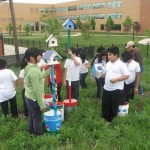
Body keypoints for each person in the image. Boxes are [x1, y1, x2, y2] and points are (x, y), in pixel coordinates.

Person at [24, 47, 50, 136]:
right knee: (37, 119)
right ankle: (38, 136)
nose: (40, 57)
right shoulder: (34, 70)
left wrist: (49, 70)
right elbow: (36, 90)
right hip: (34, 98)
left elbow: (39, 76)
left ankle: (31, 132)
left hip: (29, 96)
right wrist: (42, 104)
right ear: (31, 57)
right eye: (39, 55)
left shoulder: (30, 67)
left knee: (32, 116)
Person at [102, 46, 129, 122]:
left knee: (115, 107)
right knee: (106, 105)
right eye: (108, 54)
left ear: (116, 55)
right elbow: (104, 74)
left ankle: (114, 122)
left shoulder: (121, 64)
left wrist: (116, 79)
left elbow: (126, 75)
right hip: (107, 88)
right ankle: (106, 120)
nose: (108, 56)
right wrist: (98, 74)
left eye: (110, 55)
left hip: (117, 90)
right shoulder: (108, 63)